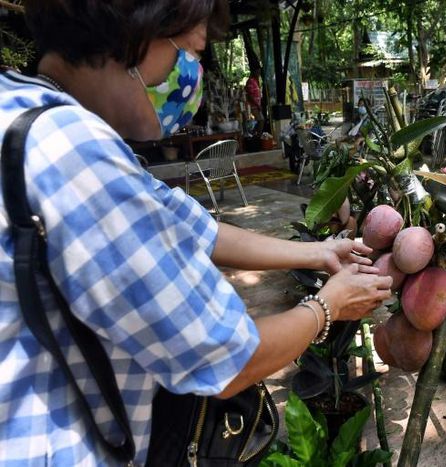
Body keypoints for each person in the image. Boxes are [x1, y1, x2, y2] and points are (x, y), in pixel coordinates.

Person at [0, 1, 393, 465]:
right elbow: (227, 361)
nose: (190, 77)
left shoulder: (24, 106)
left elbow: (192, 229)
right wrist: (328, 306)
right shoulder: (76, 153)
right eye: (188, 50)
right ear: (136, 33)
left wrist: (316, 253)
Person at [245, 65, 264, 133]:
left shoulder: (255, 81)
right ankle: (257, 136)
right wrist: (257, 105)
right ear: (254, 72)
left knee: (261, 120)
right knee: (260, 120)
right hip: (253, 106)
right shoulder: (250, 81)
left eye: (259, 72)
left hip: (256, 105)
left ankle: (257, 135)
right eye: (257, 72)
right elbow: (250, 96)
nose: (259, 73)